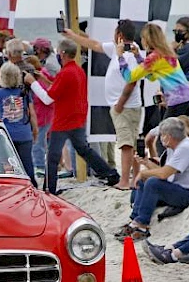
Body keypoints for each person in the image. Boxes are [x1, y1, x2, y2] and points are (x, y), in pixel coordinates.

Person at [24, 38, 120, 194]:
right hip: (77, 118)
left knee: (53, 156)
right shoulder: (77, 70)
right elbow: (61, 87)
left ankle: (49, 188)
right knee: (84, 150)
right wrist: (44, 79)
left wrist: (32, 83)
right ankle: (110, 174)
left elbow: (48, 98)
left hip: (64, 120)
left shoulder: (66, 73)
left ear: (62, 54)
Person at [64, 19, 142, 190]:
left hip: (125, 105)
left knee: (126, 144)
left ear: (120, 35)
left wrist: (120, 103)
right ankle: (136, 178)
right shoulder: (117, 49)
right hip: (121, 105)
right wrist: (73, 36)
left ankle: (125, 181)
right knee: (131, 142)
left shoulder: (129, 54)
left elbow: (132, 81)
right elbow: (95, 45)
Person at [115, 117, 189, 241]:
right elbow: (164, 171)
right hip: (181, 188)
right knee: (148, 180)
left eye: (162, 135)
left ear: (168, 136)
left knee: (152, 181)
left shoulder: (185, 148)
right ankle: (135, 219)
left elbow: (164, 174)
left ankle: (142, 225)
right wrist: (146, 162)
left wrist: (144, 174)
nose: (161, 138)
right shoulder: (175, 147)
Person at [118, 23, 189, 119]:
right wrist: (138, 57)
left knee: (167, 131)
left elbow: (129, 77)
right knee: (180, 130)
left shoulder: (154, 58)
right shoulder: (167, 53)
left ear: (146, 40)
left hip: (177, 100)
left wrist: (120, 57)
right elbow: (152, 77)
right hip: (187, 97)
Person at [0, 62, 38, 188]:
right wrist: (35, 130)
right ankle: (32, 187)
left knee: (7, 165)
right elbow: (31, 113)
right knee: (27, 164)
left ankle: (10, 187)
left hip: (6, 135)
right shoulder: (24, 92)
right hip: (24, 133)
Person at [24, 55, 55, 176]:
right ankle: (40, 164)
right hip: (45, 113)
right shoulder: (44, 74)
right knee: (41, 141)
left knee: (38, 142)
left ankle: (39, 166)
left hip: (42, 114)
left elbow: (45, 96)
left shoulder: (39, 79)